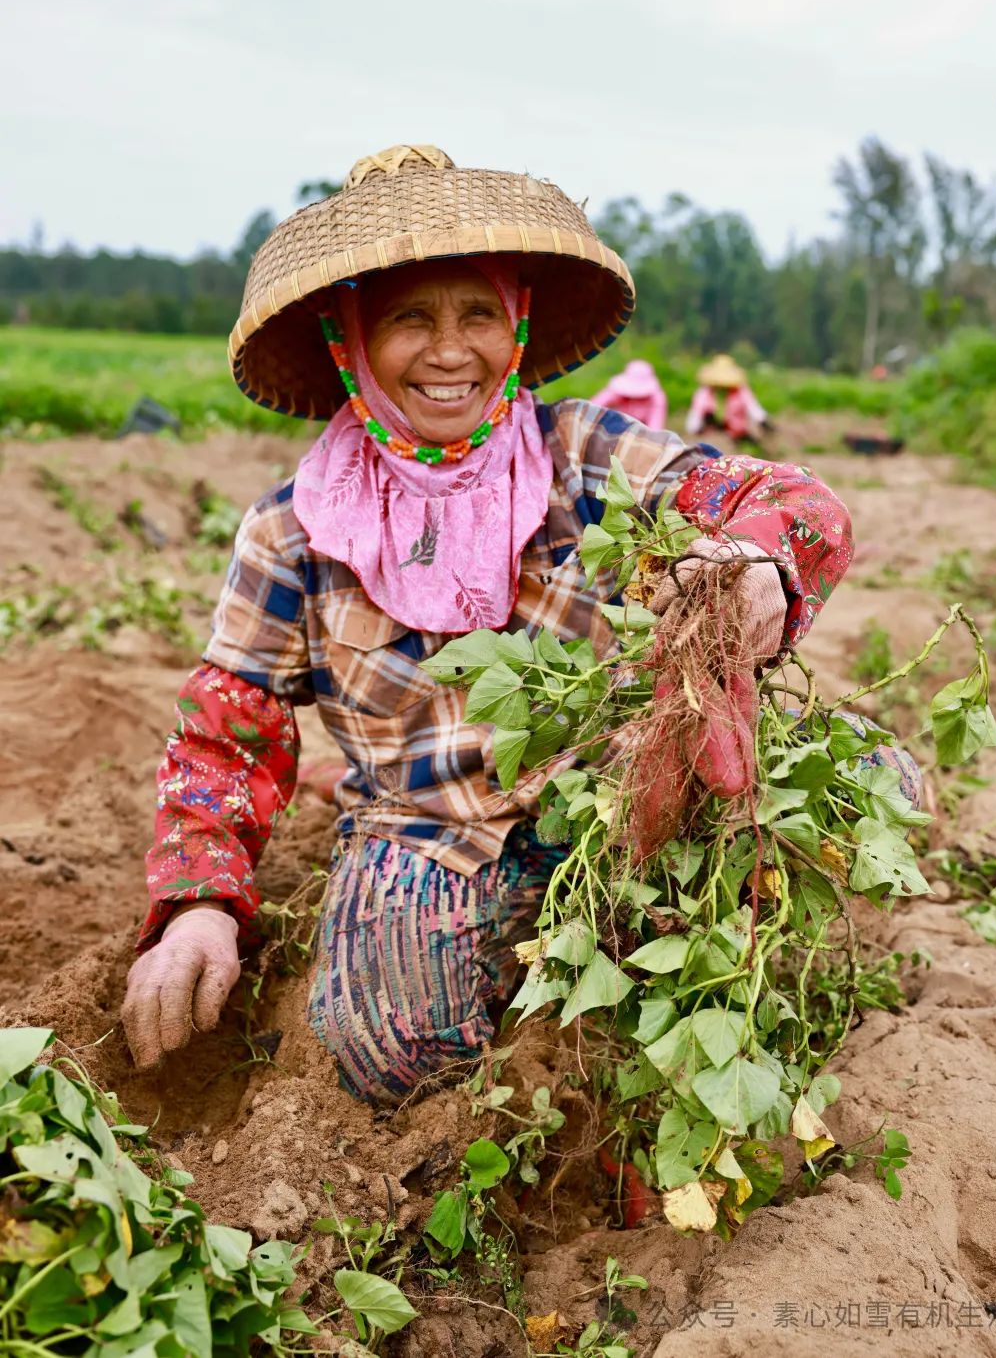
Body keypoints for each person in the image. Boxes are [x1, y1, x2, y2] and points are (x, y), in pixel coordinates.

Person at [121, 144, 919, 1104]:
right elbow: (226, 734)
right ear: (350, 341)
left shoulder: (584, 453)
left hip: (624, 808)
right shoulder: (293, 529)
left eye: (478, 314)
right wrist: (200, 905)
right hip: (431, 833)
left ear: (517, 323)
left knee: (871, 788)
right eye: (409, 318)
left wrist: (757, 563)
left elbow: (786, 496)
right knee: (387, 1053)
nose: (450, 351)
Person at [686, 353, 770, 444]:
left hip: (736, 434)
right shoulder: (704, 393)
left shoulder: (740, 390)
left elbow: (754, 409)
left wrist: (763, 422)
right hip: (713, 435)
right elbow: (695, 417)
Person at [590, 358, 667, 428]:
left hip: (642, 431)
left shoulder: (656, 399)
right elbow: (594, 406)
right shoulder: (618, 391)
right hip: (617, 427)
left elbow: (655, 426)